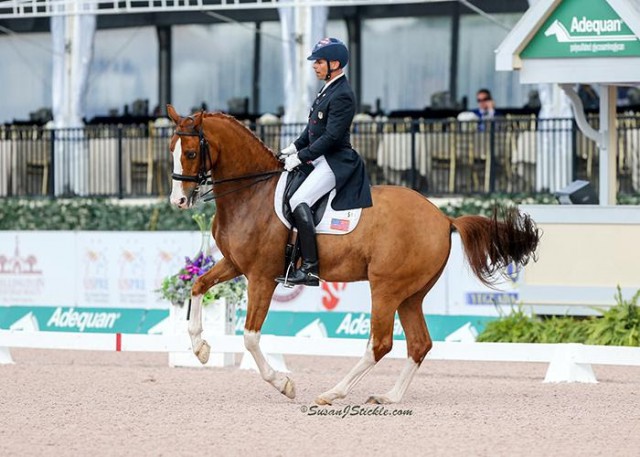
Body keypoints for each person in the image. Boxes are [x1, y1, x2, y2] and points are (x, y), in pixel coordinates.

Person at [275, 37, 373, 287]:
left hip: (335, 160)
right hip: (318, 158)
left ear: (335, 63)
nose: (314, 66)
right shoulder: (327, 89)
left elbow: (330, 137)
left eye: (319, 62)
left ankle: (309, 268)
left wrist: (301, 157)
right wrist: (292, 148)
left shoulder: (343, 94)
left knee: (299, 200)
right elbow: (312, 130)